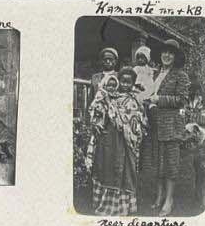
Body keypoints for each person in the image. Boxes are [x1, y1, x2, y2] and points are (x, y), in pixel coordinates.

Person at [82, 40, 149, 214]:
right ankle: (106, 204)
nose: (125, 85)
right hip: (111, 139)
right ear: (119, 82)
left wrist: (131, 128)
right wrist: (99, 123)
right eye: (123, 82)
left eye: (129, 82)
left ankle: (124, 205)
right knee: (107, 167)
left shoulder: (135, 100)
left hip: (127, 143)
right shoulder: (111, 97)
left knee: (125, 169)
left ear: (132, 83)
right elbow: (100, 110)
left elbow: (138, 120)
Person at [140, 37, 198, 215]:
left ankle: (169, 200)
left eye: (170, 53)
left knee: (171, 163)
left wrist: (159, 100)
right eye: (164, 52)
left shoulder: (181, 75)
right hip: (156, 123)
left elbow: (182, 100)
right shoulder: (156, 73)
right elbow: (149, 92)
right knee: (158, 162)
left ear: (176, 57)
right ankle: (159, 196)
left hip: (171, 125)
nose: (166, 55)